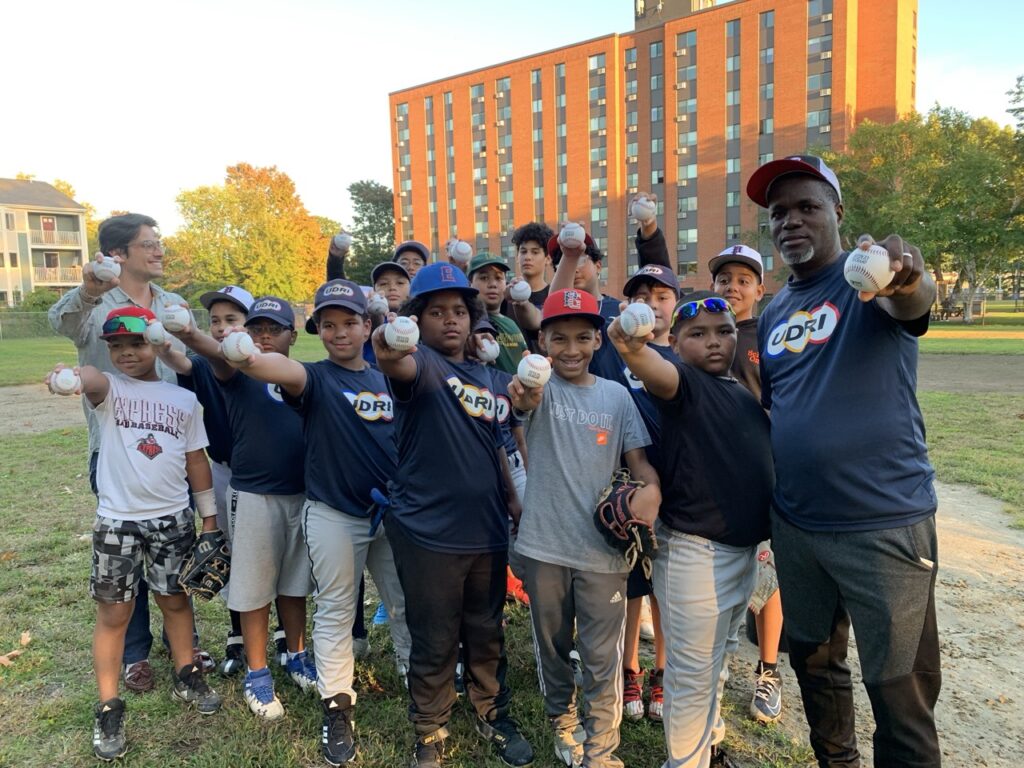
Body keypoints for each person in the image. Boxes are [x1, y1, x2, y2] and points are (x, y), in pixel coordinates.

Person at [747, 154, 940, 767]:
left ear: (838, 212)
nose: (791, 222)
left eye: (807, 207)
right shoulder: (775, 311)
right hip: (800, 526)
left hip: (882, 524)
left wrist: (906, 277)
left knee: (898, 689)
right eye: (779, 213)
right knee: (816, 664)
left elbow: (912, 301)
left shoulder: (867, 283)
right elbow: (781, 408)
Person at [223, 279, 413, 765]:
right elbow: (274, 366)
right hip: (334, 513)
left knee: (406, 601)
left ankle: (420, 683)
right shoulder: (315, 377)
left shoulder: (389, 376)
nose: (339, 332)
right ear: (319, 332)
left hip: (390, 513)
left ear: (368, 325)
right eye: (328, 325)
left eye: (349, 322)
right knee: (335, 607)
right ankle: (337, 705)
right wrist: (246, 355)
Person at [371, 263, 533, 768]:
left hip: (484, 529)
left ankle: (491, 711)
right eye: (436, 311)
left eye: (459, 311)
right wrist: (390, 335)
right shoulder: (420, 366)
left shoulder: (490, 376)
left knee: (486, 629)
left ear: (472, 317)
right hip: (427, 531)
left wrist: (512, 499)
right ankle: (430, 726)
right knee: (435, 634)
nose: (450, 320)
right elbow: (390, 358)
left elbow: (499, 444)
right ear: (418, 319)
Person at [47, 306, 222, 761]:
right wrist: (68, 375)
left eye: (137, 343)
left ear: (157, 344)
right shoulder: (109, 390)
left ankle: (186, 673)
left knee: (175, 600)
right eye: (117, 345)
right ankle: (108, 705)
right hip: (118, 520)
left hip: (171, 518)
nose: (127, 353)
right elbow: (89, 378)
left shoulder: (182, 399)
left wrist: (208, 520)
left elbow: (196, 461)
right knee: (114, 614)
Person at [608, 291, 773, 768]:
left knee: (717, 663)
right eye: (697, 335)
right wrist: (632, 349)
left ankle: (710, 749)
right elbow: (653, 370)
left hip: (738, 552)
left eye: (723, 331)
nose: (715, 342)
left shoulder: (738, 390)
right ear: (676, 345)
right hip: (696, 555)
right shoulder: (685, 384)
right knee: (691, 676)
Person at [47, 212, 210, 692]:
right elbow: (63, 322)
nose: (158, 250)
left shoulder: (173, 304)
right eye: (147, 244)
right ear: (118, 254)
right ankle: (136, 654)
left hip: (170, 447)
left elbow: (191, 365)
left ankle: (185, 650)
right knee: (124, 554)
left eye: (158, 242)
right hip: (114, 449)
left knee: (170, 550)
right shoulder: (96, 305)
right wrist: (91, 289)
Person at [510, 288, 661, 768]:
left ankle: (602, 751)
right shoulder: (537, 387)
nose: (570, 349)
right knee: (553, 647)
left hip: (603, 552)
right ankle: (564, 720)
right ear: (542, 340)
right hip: (544, 545)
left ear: (598, 340)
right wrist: (525, 393)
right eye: (558, 338)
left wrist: (651, 491)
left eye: (581, 337)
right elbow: (521, 402)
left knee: (601, 658)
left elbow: (639, 462)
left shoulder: (616, 397)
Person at [161, 297, 314, 721]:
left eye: (274, 329)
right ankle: (257, 671)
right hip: (254, 494)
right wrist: (190, 333)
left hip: (301, 494)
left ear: (292, 335)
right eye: (258, 328)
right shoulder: (239, 374)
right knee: (253, 588)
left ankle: (297, 655)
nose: (264, 336)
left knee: (295, 585)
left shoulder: (306, 376)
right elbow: (217, 356)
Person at [706, 244, 787, 725]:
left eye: (742, 279)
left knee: (767, 575)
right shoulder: (704, 333)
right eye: (723, 279)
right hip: (713, 475)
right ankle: (711, 665)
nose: (731, 287)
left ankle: (769, 670)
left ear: (759, 288)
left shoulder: (770, 335)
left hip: (762, 470)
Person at [617, 263, 681, 725]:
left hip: (678, 489)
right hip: (623, 489)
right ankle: (628, 670)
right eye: (643, 296)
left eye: (662, 296)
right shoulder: (613, 350)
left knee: (664, 588)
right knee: (628, 587)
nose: (653, 305)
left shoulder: (686, 352)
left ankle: (662, 669)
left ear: (675, 305)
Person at [467, 253, 530, 374]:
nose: (493, 284)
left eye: (498, 278)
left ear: (506, 283)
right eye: (484, 278)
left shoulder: (511, 322)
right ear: (470, 283)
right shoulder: (469, 323)